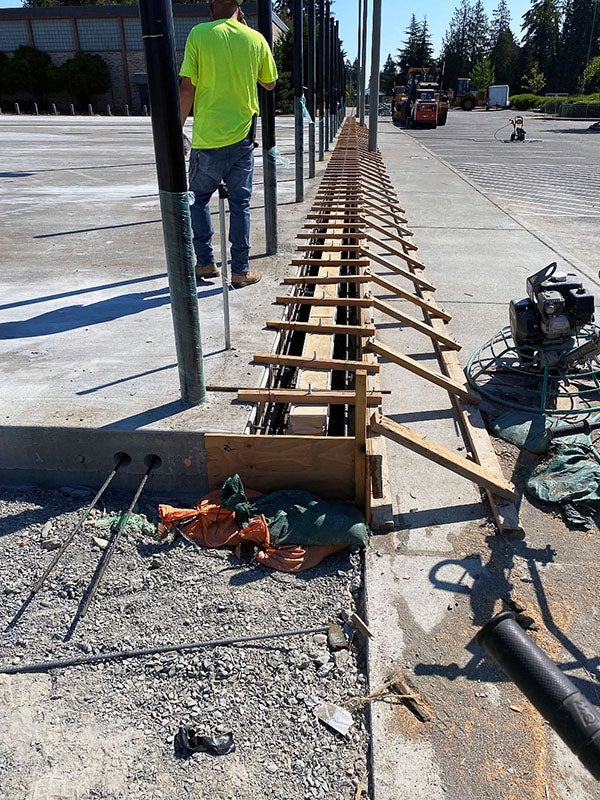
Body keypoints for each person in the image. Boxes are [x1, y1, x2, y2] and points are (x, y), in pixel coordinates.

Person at [179, 0, 277, 288]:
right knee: (240, 204)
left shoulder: (199, 34)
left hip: (207, 138)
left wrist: (177, 127)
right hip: (241, 138)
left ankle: (205, 262)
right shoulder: (255, 38)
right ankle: (240, 270)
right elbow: (269, 83)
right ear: (239, 7)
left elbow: (187, 87)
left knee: (196, 201)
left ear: (211, 8)